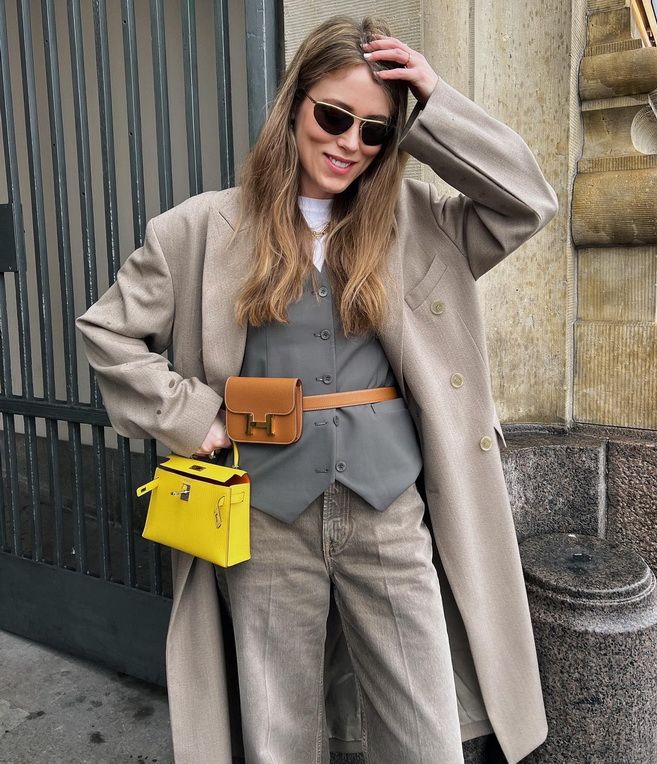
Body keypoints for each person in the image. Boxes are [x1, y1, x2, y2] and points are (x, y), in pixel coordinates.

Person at [76, 15, 558, 764]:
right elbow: (105, 331)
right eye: (334, 116)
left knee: (426, 728)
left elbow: (526, 200)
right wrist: (193, 417)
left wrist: (432, 98)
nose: (348, 143)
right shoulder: (202, 229)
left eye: (374, 131)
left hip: (389, 507)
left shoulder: (418, 222)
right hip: (264, 514)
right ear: (296, 104)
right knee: (278, 731)